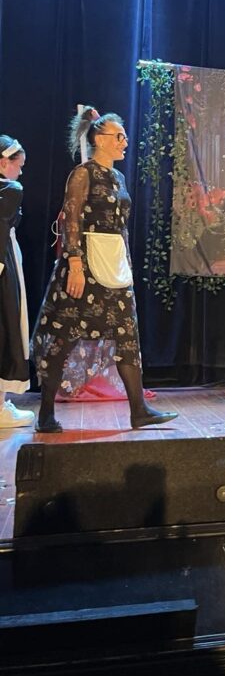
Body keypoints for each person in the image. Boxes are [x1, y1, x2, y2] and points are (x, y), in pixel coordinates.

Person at [31, 107, 178, 433]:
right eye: (119, 136)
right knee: (63, 338)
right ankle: (45, 414)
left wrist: (125, 264)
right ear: (99, 139)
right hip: (84, 267)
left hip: (113, 267)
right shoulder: (83, 174)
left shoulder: (118, 178)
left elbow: (120, 227)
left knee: (127, 336)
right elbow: (72, 219)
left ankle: (139, 410)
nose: (125, 142)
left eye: (124, 136)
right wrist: (74, 263)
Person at [0, 136, 35, 429]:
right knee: (7, 325)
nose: (20, 172)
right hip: (3, 262)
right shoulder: (11, 189)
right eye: (18, 165)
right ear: (3, 163)